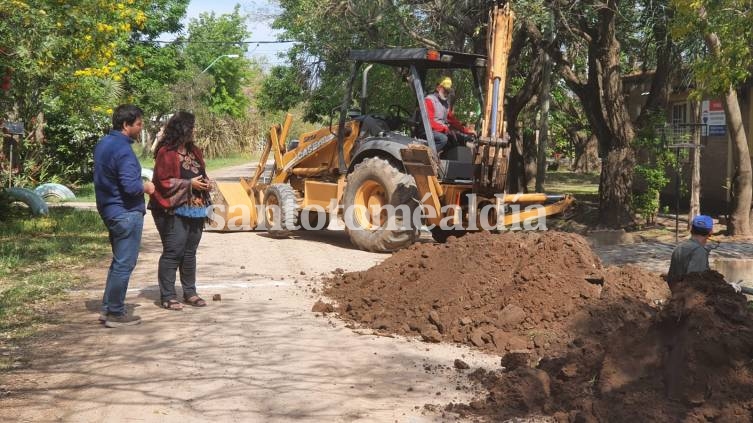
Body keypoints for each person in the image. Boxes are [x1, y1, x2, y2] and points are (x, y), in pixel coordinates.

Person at [94, 104, 155, 328]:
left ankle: (109, 307)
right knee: (124, 264)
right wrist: (147, 187)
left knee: (118, 261)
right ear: (125, 125)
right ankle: (115, 314)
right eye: (138, 124)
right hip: (125, 213)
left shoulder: (103, 144)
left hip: (110, 210)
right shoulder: (123, 151)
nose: (140, 128)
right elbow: (131, 187)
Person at [148, 111, 210, 310]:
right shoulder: (166, 152)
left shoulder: (195, 151)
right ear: (182, 129)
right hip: (171, 209)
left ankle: (190, 292)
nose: (194, 130)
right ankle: (167, 295)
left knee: (190, 252)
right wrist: (189, 183)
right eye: (191, 127)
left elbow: (202, 174)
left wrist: (206, 184)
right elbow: (162, 182)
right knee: (174, 251)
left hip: (196, 209)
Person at [423, 76, 476, 153]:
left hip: (439, 131)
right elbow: (429, 123)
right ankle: (429, 157)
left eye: (448, 91)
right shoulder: (429, 100)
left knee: (458, 139)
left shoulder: (445, 104)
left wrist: (466, 130)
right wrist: (446, 129)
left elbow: (452, 120)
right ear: (438, 88)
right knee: (443, 139)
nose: (447, 93)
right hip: (427, 130)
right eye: (445, 90)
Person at [666, 215, 713, 284]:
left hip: (674, 291)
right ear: (710, 232)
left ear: (692, 229)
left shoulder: (679, 247)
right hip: (686, 293)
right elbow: (695, 282)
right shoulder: (699, 252)